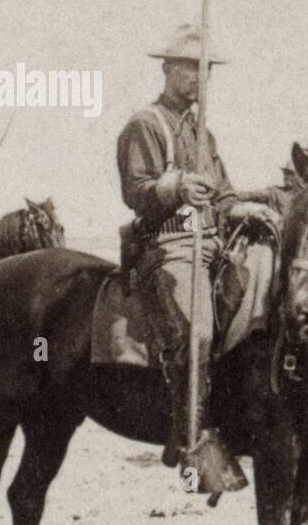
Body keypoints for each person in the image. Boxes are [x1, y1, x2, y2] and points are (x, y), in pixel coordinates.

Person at [116, 25, 273, 494]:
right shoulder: (147, 123)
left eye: (205, 70)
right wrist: (175, 186)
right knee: (197, 329)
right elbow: (135, 190)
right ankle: (189, 441)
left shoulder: (205, 135)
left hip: (213, 244)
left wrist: (241, 207)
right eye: (189, 67)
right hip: (169, 244)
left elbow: (221, 196)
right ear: (167, 68)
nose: (198, 78)